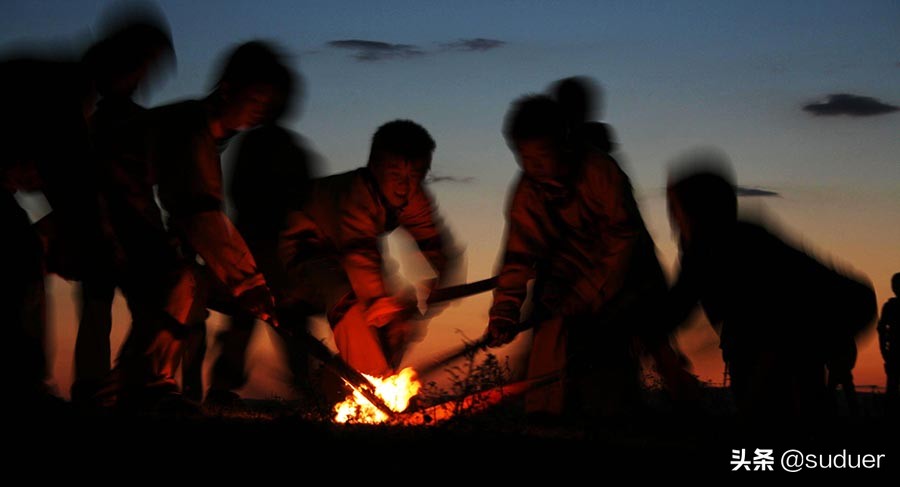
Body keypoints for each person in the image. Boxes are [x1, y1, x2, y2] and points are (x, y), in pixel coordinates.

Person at [96, 41, 284, 409]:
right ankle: (143, 384)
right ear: (229, 87)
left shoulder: (202, 134)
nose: (258, 111)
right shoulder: (189, 128)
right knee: (177, 281)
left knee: (181, 284)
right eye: (255, 97)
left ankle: (133, 384)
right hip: (96, 197)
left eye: (266, 104)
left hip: (119, 201)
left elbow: (189, 211)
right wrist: (248, 283)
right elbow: (197, 209)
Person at [0, 15, 170, 409]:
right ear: (122, 62)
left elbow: (63, 175)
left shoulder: (63, 87)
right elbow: (69, 180)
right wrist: (97, 245)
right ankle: (21, 386)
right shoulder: (65, 91)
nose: (141, 83)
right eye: (142, 69)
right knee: (19, 258)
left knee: (20, 256)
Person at [483, 95, 675, 419]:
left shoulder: (601, 172)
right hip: (565, 280)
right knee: (548, 343)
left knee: (607, 359)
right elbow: (518, 256)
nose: (533, 167)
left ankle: (623, 419)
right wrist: (504, 311)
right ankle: (542, 420)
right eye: (523, 158)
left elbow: (624, 239)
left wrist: (585, 294)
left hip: (625, 276)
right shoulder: (528, 192)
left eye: (541, 156)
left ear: (565, 145)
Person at [664, 159, 876, 416]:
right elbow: (679, 306)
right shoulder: (725, 241)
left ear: (695, 210)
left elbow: (676, 307)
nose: (672, 217)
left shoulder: (717, 245)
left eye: (675, 207)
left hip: (823, 313)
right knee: (779, 383)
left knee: (771, 389)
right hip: (817, 316)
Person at [278, 120, 463, 386]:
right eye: (396, 175)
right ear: (374, 166)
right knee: (350, 301)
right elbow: (360, 257)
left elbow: (436, 246)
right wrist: (381, 305)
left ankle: (378, 377)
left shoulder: (413, 197)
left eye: (416, 176)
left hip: (342, 258)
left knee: (396, 316)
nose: (405, 186)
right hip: (300, 252)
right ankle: (373, 385)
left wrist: (437, 285)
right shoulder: (354, 193)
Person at [72, 13, 175, 404]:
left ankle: (121, 383)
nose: (145, 77)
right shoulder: (90, 116)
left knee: (130, 305)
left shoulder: (126, 118)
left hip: (126, 224)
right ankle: (107, 385)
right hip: (110, 224)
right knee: (110, 303)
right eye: (143, 65)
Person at [205, 62, 321, 406]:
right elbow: (243, 193)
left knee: (288, 325)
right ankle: (226, 389)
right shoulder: (264, 146)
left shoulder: (286, 149)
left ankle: (306, 391)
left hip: (278, 249)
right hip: (257, 246)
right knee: (253, 321)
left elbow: (304, 201)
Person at [879, 272, 900, 409]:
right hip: (893, 354)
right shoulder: (889, 307)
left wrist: (884, 351)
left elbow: (881, 330)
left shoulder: (890, 307)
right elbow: (881, 330)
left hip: (893, 353)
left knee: (892, 390)